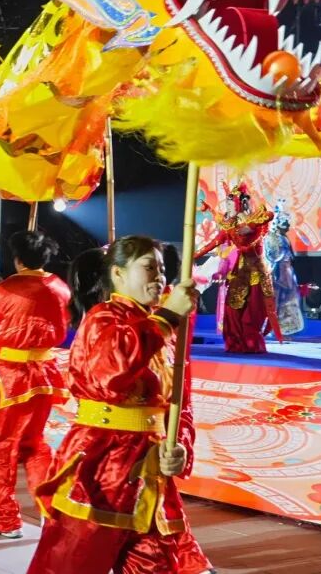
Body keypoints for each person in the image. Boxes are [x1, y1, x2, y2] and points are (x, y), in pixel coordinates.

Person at [28, 236, 203, 573]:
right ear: (118, 273)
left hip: (148, 470)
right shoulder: (103, 319)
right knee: (70, 563)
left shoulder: (167, 333)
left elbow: (180, 403)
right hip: (101, 466)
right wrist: (167, 317)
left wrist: (179, 444)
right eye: (149, 267)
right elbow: (112, 371)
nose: (160, 276)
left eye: (162, 269)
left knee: (160, 564)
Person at [0, 230, 70, 539]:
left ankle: (5, 520)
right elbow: (63, 327)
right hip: (44, 375)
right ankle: (51, 512)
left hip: (11, 377)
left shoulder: (4, 290)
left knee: (2, 449)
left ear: (17, 259)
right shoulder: (60, 287)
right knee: (35, 445)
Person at [194, 181, 281, 353]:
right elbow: (212, 244)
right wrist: (194, 256)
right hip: (240, 272)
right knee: (232, 309)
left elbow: (269, 214)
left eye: (229, 204)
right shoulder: (230, 227)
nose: (227, 207)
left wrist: (250, 227)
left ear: (240, 204)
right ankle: (236, 342)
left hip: (257, 272)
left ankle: (251, 343)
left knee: (252, 312)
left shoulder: (255, 220)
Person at [264, 200, 305, 338]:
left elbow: (290, 255)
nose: (287, 226)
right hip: (277, 272)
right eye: (284, 222)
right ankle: (273, 329)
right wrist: (280, 261)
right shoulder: (271, 237)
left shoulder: (284, 237)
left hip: (287, 272)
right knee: (276, 300)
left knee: (289, 299)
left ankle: (285, 329)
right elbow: (271, 255)